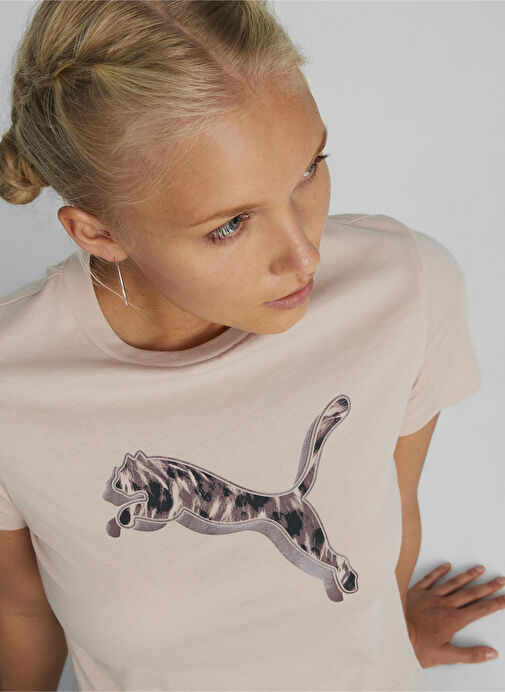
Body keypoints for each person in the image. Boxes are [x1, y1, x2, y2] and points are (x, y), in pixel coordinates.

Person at [0, 2, 500, 691]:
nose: (305, 255)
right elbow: (22, 609)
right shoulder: (13, 392)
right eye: (231, 223)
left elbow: (392, 508)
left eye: (309, 168)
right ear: (100, 233)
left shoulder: (402, 290)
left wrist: (390, 636)